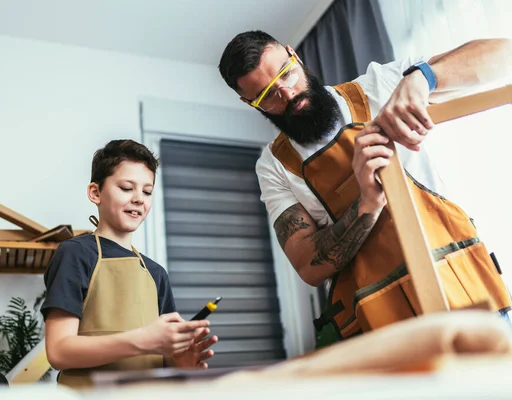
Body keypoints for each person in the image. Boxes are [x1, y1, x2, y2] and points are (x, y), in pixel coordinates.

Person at [218, 31, 512, 343]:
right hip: (385, 334)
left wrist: (423, 78)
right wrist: (367, 205)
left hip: (468, 293)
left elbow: (502, 55)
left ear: (295, 55)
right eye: (267, 96)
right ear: (249, 102)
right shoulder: (274, 166)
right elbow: (308, 266)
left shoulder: (381, 86)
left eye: (286, 74)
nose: (288, 94)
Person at [40, 139, 218, 388]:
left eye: (147, 192)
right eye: (126, 188)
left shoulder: (156, 274)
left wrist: (182, 365)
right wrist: (142, 340)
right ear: (95, 192)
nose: (138, 199)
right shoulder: (76, 254)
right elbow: (59, 351)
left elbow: (164, 360)